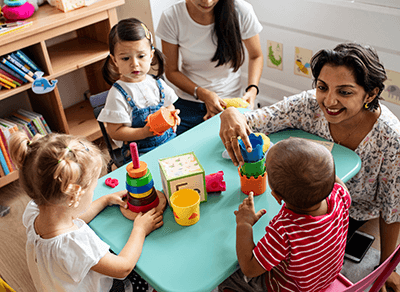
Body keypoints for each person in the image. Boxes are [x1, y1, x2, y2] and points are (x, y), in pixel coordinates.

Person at [219, 42, 400, 291]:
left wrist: (385, 266)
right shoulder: (308, 106)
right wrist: (230, 114)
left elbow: (393, 209)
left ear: (370, 94)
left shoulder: (391, 139)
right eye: (322, 87)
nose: (329, 101)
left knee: (234, 260)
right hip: (326, 209)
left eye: (345, 92)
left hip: (349, 216)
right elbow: (256, 119)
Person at [9, 132, 164, 292]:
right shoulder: (76, 244)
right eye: (93, 188)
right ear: (74, 196)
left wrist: (104, 200)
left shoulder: (34, 210)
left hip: (54, 285)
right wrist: (140, 230)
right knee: (145, 279)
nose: (95, 191)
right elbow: (123, 267)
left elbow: (72, 217)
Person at [219, 137, 351, 292]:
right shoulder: (339, 195)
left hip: (291, 289)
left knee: (228, 276)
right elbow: (335, 182)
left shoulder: (284, 230)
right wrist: (321, 170)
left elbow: (249, 268)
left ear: (276, 196)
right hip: (323, 279)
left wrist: (244, 224)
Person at [156, 0, 263, 135]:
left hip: (230, 101)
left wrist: (252, 89)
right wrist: (203, 94)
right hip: (189, 101)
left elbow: (256, 56)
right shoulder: (172, 17)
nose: (207, 1)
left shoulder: (242, 11)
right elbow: (171, 71)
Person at [99, 18, 180, 163]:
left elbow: (169, 105)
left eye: (141, 56)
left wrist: (171, 116)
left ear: (151, 55)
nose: (134, 64)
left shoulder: (157, 83)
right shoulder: (117, 94)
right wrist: (143, 132)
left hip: (169, 142)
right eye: (125, 58)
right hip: (140, 153)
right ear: (114, 60)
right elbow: (115, 132)